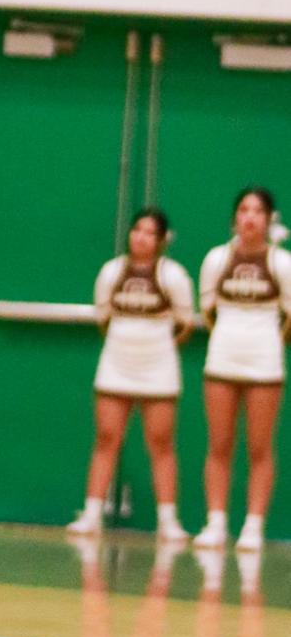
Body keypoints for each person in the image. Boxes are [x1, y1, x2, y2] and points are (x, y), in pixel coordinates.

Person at [66, 208, 195, 544]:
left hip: (159, 367)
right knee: (106, 438)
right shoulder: (110, 272)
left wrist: (156, 344)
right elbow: (103, 315)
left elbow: (184, 323)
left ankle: (169, 522)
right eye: (137, 229)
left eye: (150, 232)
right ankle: (91, 514)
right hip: (116, 363)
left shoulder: (175, 276)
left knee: (161, 444)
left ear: (162, 240)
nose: (141, 237)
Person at [194, 187, 291, 554]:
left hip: (265, 361)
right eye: (244, 210)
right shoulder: (216, 259)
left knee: (260, 447)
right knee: (219, 445)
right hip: (221, 358)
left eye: (258, 211)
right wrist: (233, 336)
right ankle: (216, 523)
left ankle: (253, 526)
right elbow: (209, 311)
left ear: (269, 220)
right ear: (235, 218)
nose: (250, 217)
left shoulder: (283, 263)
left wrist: (265, 341)